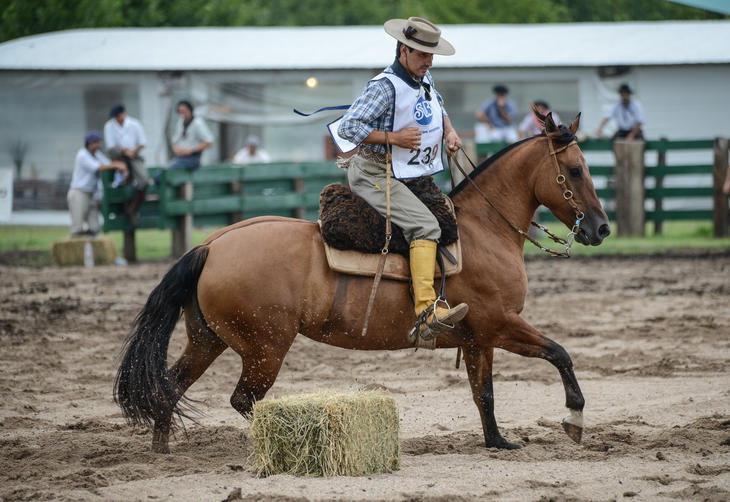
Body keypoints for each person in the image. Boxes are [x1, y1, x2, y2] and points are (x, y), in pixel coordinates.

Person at [337, 16, 468, 338]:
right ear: (403, 50)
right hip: (374, 173)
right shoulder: (383, 87)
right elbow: (348, 127)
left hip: (406, 173)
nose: (429, 61)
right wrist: (392, 138)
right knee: (426, 225)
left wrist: (450, 132)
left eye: (431, 55)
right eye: (422, 55)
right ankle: (426, 312)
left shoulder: (425, 78)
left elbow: (439, 107)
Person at [67, 132, 127, 236]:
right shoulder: (82, 155)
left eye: (99, 143)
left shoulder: (97, 155)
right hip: (79, 192)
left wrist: (119, 167)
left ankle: (92, 246)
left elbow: (108, 164)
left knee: (94, 227)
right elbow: (99, 167)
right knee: (77, 226)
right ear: (89, 144)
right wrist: (117, 165)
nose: (98, 145)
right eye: (95, 143)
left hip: (91, 193)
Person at [104, 104, 151, 225]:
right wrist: (124, 151)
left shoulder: (135, 124)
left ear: (124, 114)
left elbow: (142, 142)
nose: (117, 119)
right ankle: (122, 209)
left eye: (119, 116)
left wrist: (133, 151)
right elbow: (110, 147)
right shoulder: (109, 126)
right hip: (118, 158)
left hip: (134, 156)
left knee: (144, 180)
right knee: (122, 182)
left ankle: (133, 208)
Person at [169, 100, 214, 170]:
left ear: (190, 110)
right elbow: (175, 140)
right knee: (166, 168)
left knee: (171, 169)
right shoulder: (181, 122)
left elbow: (209, 142)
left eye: (184, 111)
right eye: (180, 112)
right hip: (180, 157)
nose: (182, 114)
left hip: (193, 158)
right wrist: (176, 149)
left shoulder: (197, 123)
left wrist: (190, 150)